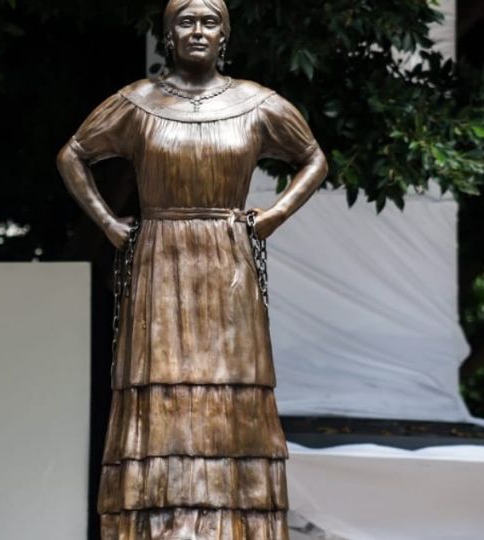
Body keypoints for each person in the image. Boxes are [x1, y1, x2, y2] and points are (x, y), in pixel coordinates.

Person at [57, 0, 327, 537]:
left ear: (224, 34)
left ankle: (235, 523)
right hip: (160, 255)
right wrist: (110, 226)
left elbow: (313, 159)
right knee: (158, 382)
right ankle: (156, 521)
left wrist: (271, 216)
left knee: (232, 383)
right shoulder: (137, 103)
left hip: (228, 257)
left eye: (209, 21)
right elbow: (74, 155)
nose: (197, 31)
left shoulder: (257, 103)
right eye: (186, 21)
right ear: (168, 34)